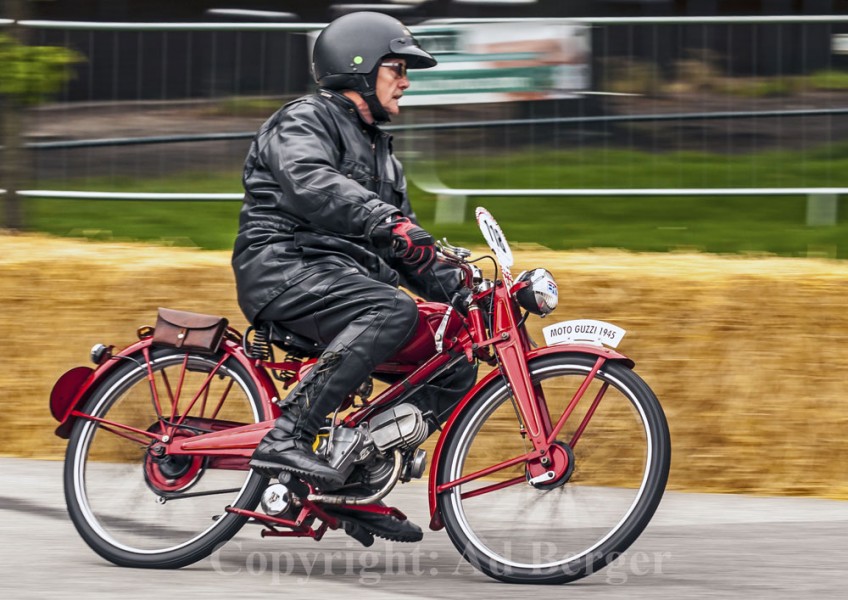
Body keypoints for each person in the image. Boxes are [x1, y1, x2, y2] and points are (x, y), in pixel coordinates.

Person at [231, 11, 476, 542]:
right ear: (358, 68)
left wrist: (466, 288)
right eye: (397, 68)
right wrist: (384, 219)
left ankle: (350, 473)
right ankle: (290, 434)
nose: (406, 81)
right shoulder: (303, 120)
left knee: (455, 362)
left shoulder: (384, 156)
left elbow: (404, 247)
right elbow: (309, 181)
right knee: (390, 308)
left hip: (339, 279)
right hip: (283, 267)